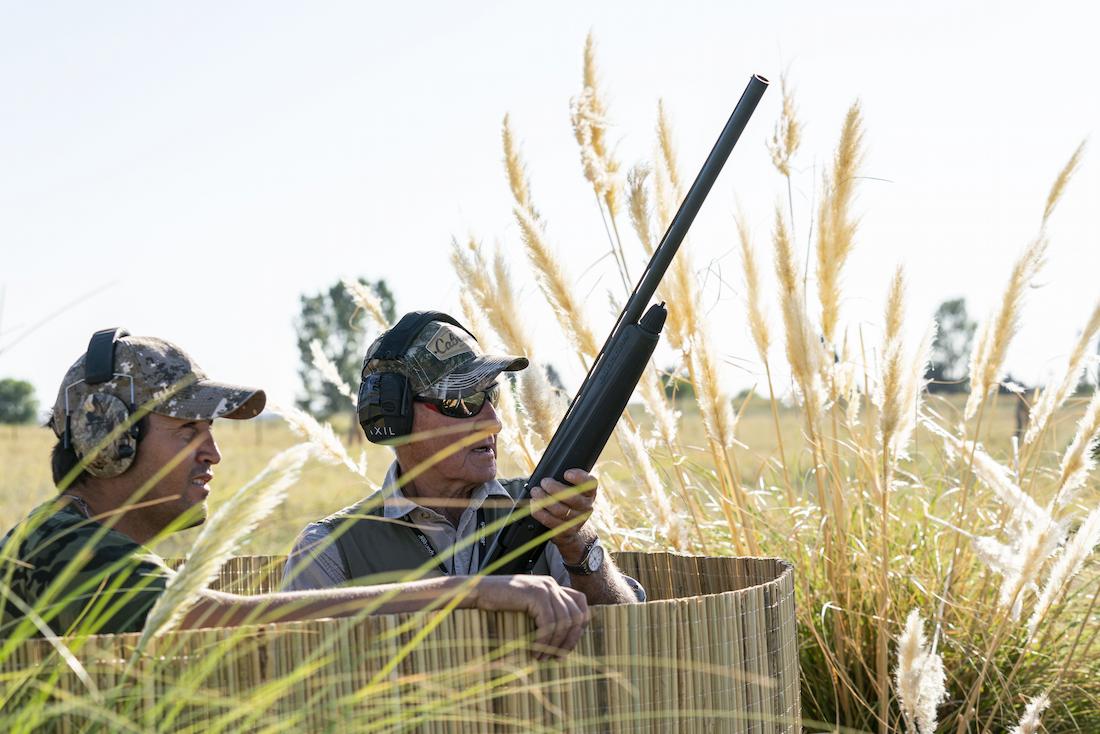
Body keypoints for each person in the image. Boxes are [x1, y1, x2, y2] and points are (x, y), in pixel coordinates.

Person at [0, 329, 587, 658]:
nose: (213, 453)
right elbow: (220, 618)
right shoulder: (63, 545)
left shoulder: (78, 540)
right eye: (187, 432)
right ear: (109, 440)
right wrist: (470, 591)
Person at [282, 311, 644, 605]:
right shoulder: (330, 550)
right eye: (463, 402)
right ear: (397, 417)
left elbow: (628, 632)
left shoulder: (538, 508)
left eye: (492, 396)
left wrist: (578, 544)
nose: (493, 422)